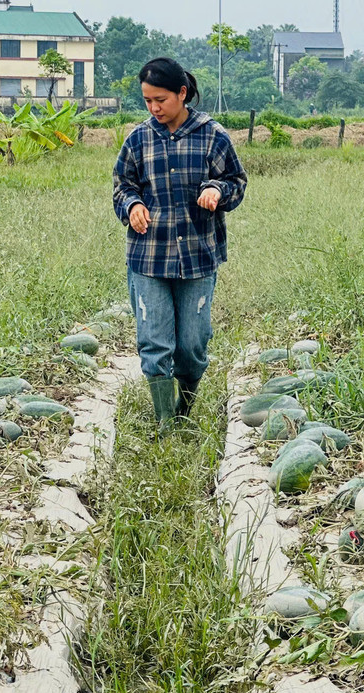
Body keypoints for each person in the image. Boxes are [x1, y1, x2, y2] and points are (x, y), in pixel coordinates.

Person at [112, 57, 247, 430]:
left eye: (161, 100)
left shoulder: (213, 135)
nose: (154, 108)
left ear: (182, 93)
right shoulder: (138, 139)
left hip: (197, 258)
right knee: (155, 343)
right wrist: (132, 204)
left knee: (191, 345)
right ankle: (164, 422)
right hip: (149, 258)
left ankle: (185, 409)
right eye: (147, 101)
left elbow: (236, 181)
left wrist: (217, 190)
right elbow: (122, 186)